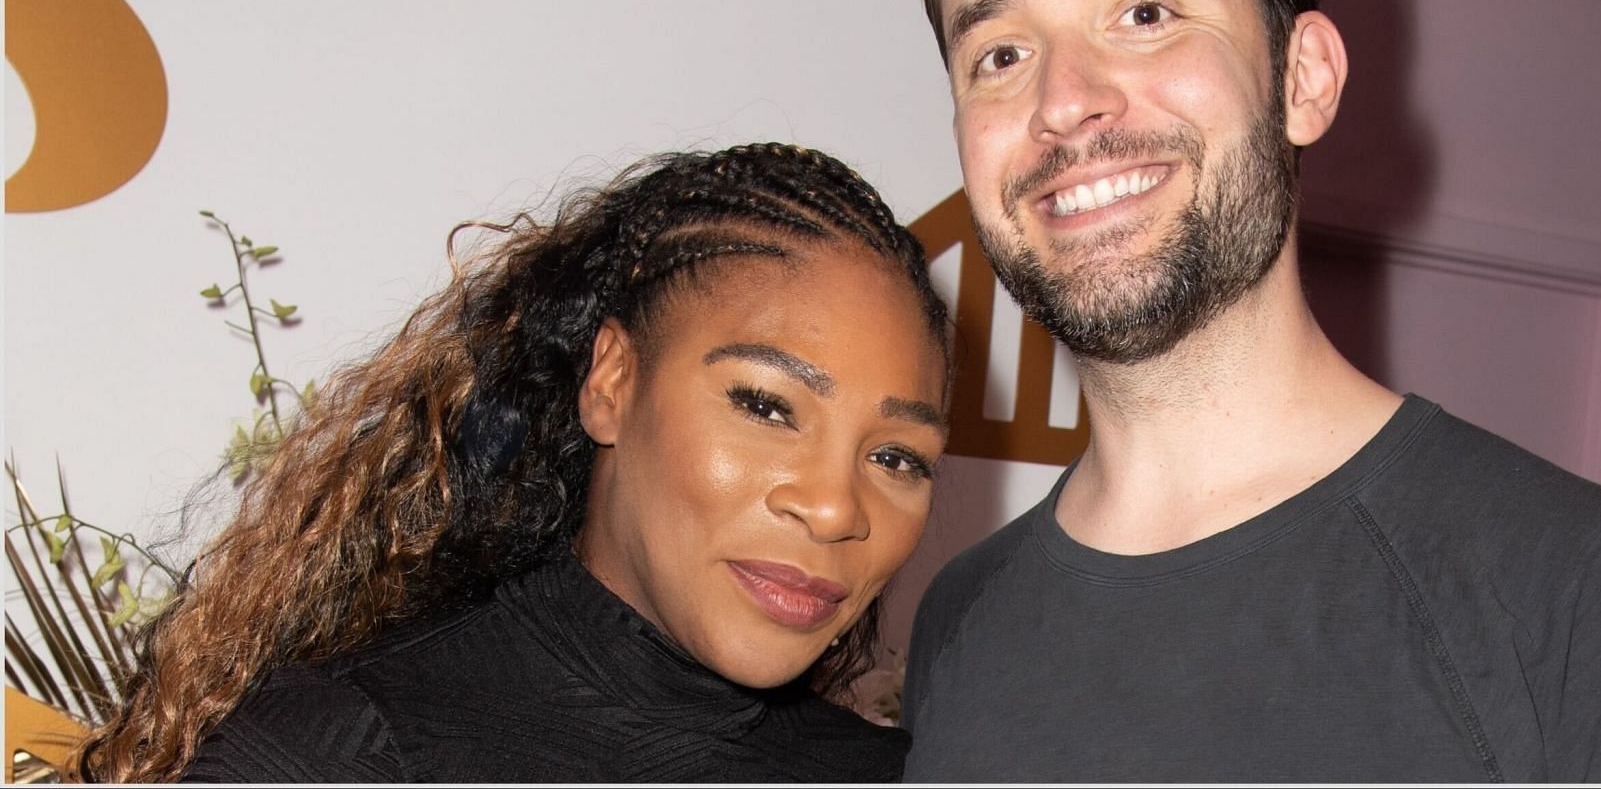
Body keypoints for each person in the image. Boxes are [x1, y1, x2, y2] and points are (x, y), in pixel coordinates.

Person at [899, 0, 1601, 782]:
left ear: (1303, 77)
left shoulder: (1579, 593)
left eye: (1144, 13)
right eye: (1000, 54)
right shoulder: (957, 620)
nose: (1061, 101)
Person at [76, 143, 952, 782]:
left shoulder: (893, 775)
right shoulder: (342, 754)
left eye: (896, 457)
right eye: (766, 406)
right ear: (611, 382)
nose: (837, 507)